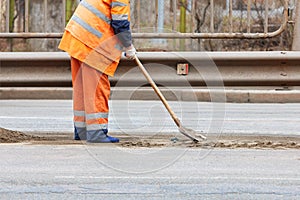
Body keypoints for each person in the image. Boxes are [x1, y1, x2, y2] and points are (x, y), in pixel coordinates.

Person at [58, 0, 136, 143]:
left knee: (82, 88)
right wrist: (128, 45)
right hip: (93, 42)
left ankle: (82, 131)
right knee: (97, 88)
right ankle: (97, 133)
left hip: (78, 36)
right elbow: (120, 21)